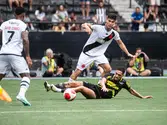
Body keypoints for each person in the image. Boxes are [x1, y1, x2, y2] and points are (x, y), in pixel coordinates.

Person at [69, 13, 134, 81]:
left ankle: (100, 82)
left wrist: (128, 53)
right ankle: (67, 86)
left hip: (99, 55)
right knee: (77, 72)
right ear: (106, 20)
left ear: (115, 23)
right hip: (87, 54)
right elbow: (84, 24)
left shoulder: (114, 34)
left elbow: (120, 43)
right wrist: (87, 28)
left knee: (108, 69)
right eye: (109, 21)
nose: (110, 23)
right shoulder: (98, 28)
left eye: (112, 22)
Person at [44, 68, 152, 99]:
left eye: (119, 74)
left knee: (81, 88)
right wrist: (104, 86)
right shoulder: (109, 75)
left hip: (98, 95)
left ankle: (58, 90)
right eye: (116, 73)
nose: (116, 75)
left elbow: (131, 91)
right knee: (75, 83)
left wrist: (142, 97)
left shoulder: (123, 83)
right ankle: (51, 87)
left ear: (122, 76)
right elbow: (103, 80)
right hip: (96, 87)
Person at [0, 7, 32, 106]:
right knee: (26, 76)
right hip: (15, 54)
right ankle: (21, 94)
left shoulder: (4, 24)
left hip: (3, 53)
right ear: (23, 16)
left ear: (14, 14)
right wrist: (27, 56)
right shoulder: (23, 25)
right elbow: (25, 40)